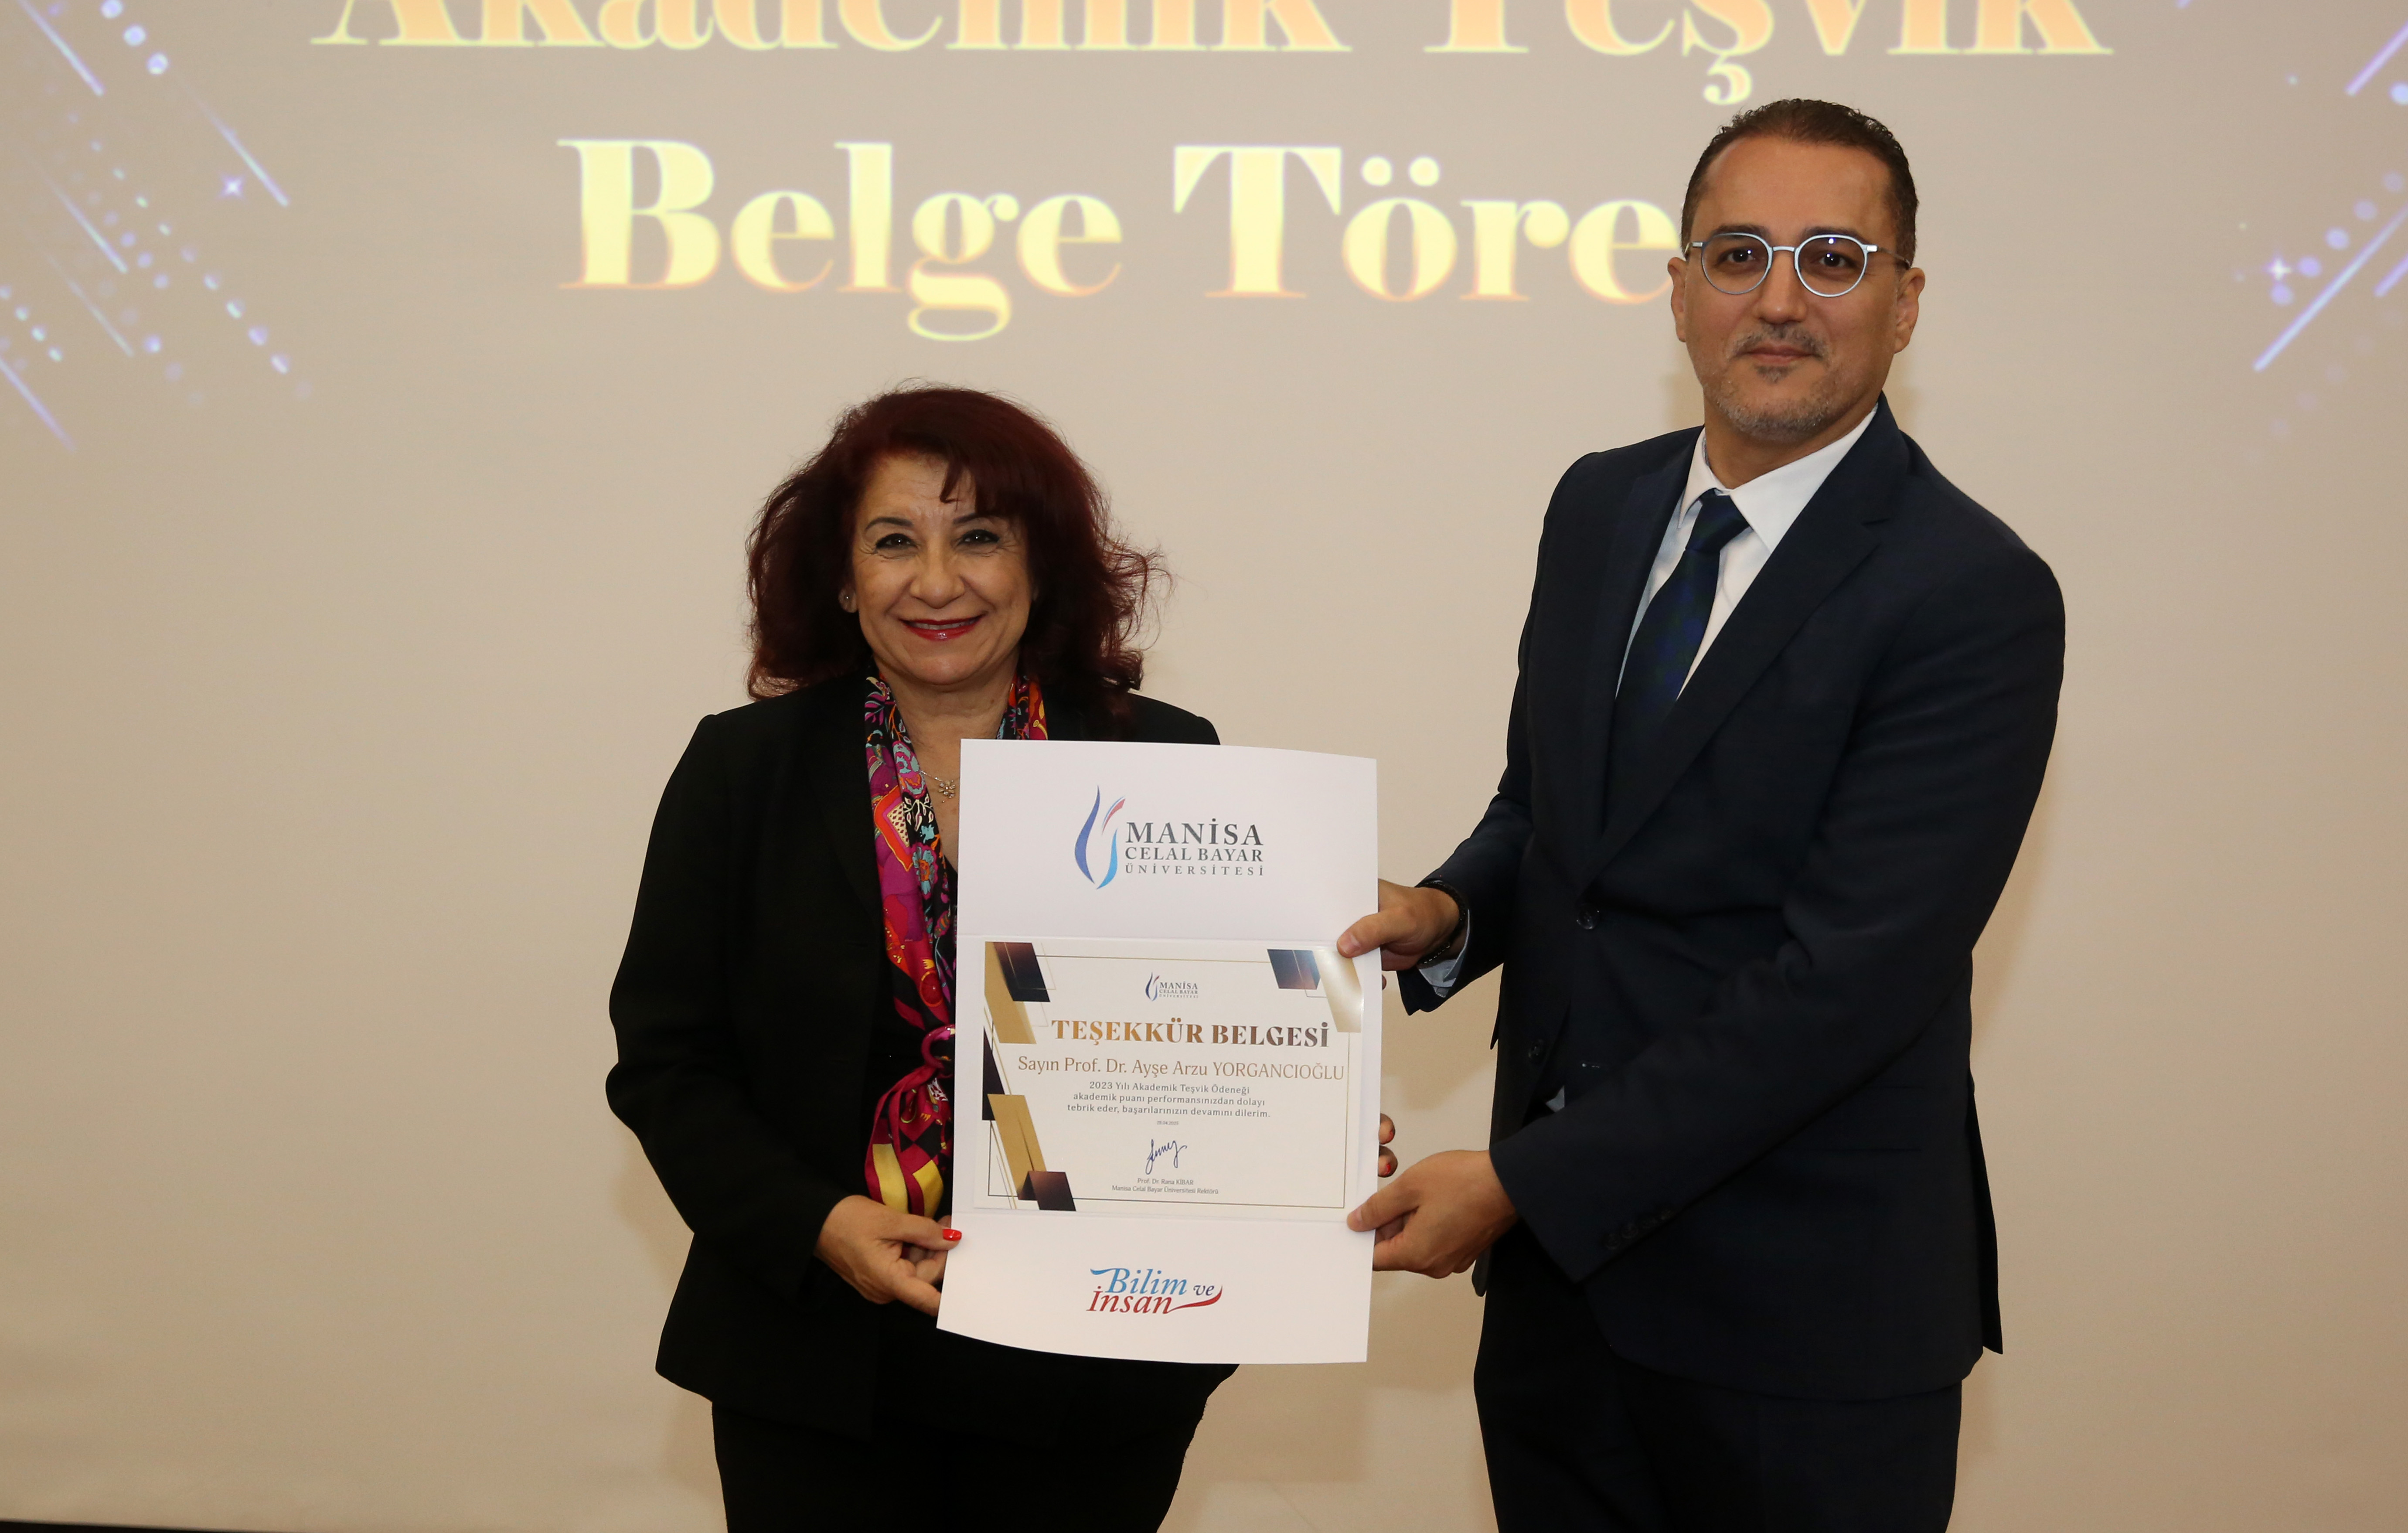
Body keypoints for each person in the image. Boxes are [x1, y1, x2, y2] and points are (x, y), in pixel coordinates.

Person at [1339, 100, 2065, 1533]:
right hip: (1563, 1309)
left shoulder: (1972, 591)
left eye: (1834, 258)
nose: (1781, 299)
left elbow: (1845, 986)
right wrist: (1448, 913)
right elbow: (1554, 816)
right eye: (1740, 254)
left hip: (1806, 1324)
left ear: (1907, 302)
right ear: (1679, 291)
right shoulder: (1599, 507)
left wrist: (1523, 1183)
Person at [607, 385, 1242, 1531]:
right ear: (844, 579)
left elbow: (1223, 1036)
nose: (937, 582)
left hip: (1094, 1359)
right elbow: (668, 1062)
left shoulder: (1166, 758)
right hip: (817, 1350)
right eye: (894, 542)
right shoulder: (744, 772)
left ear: (1041, 567)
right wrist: (816, 1220)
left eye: (980, 537)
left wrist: (1296, 1126)